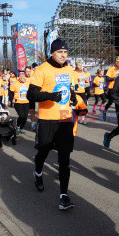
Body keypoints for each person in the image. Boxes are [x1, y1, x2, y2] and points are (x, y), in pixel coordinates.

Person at [27, 38, 76, 210]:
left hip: (65, 120)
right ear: (52, 53)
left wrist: (75, 99)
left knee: (64, 158)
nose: (63, 55)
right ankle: (38, 173)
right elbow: (31, 95)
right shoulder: (42, 69)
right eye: (60, 52)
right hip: (47, 120)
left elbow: (69, 87)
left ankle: (64, 196)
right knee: (43, 152)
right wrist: (50, 96)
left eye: (65, 52)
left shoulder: (70, 69)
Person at [25, 66, 37, 131]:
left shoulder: (33, 78)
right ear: (25, 72)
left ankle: (33, 125)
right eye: (27, 71)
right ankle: (20, 122)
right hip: (23, 98)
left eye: (29, 71)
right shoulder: (22, 78)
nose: (28, 73)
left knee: (32, 111)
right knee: (24, 113)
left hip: (31, 97)